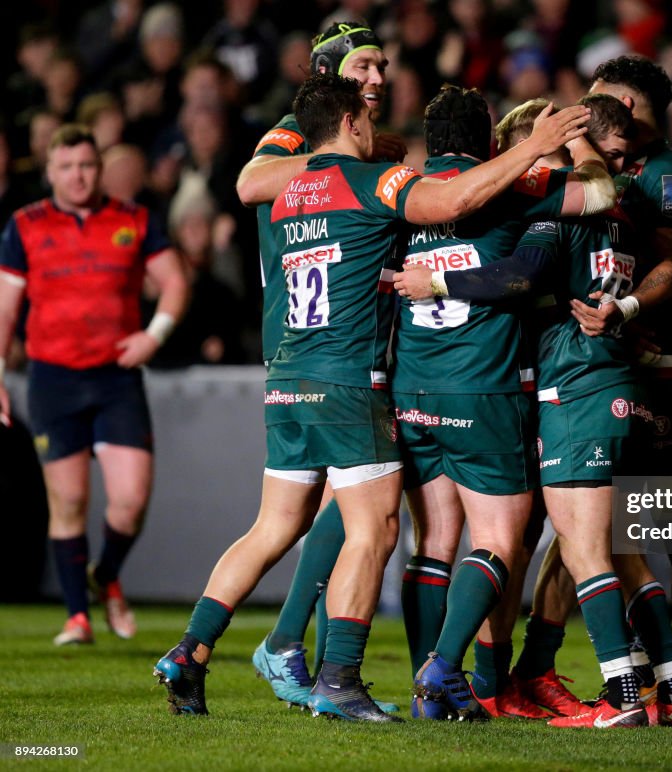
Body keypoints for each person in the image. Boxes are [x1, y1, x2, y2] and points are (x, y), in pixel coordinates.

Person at [153, 72, 593, 719]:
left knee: (274, 525)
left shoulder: (288, 192)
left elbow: (262, 187)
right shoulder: (374, 185)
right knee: (375, 528)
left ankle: (190, 650)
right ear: (353, 122)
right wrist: (533, 148)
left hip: (289, 379)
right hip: (349, 381)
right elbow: (447, 203)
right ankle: (339, 679)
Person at [389, 88, 617, 722]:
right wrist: (570, 142)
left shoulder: (402, 191)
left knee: (432, 543)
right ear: (490, 141)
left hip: (413, 387)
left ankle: (426, 683)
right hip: (481, 385)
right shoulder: (522, 182)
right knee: (500, 539)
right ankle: (446, 670)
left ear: (428, 144)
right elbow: (600, 195)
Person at [235, 22, 405, 710]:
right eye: (366, 64)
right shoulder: (294, 131)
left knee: (337, 507)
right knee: (353, 511)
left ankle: (267, 644)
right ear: (330, 72)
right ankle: (293, 652)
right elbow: (251, 182)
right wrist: (351, 170)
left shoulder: (364, 143)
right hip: (317, 345)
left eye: (384, 65)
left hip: (337, 340)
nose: (380, 77)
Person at [0, 124, 188, 645]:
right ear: (49, 172)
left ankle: (105, 576)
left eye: (86, 165)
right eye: (67, 167)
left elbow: (174, 281)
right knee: (69, 503)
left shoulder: (132, 219)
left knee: (130, 501)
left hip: (115, 377)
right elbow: (5, 307)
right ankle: (77, 617)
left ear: (99, 169)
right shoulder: (25, 225)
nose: (78, 176)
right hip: (53, 379)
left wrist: (155, 336)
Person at [578, 55, 672, 719]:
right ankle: (642, 677)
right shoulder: (609, 163)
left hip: (671, 371)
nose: (588, 108)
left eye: (599, 100)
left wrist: (627, 311)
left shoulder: (667, 176)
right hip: (617, 369)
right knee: (607, 532)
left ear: (626, 107)